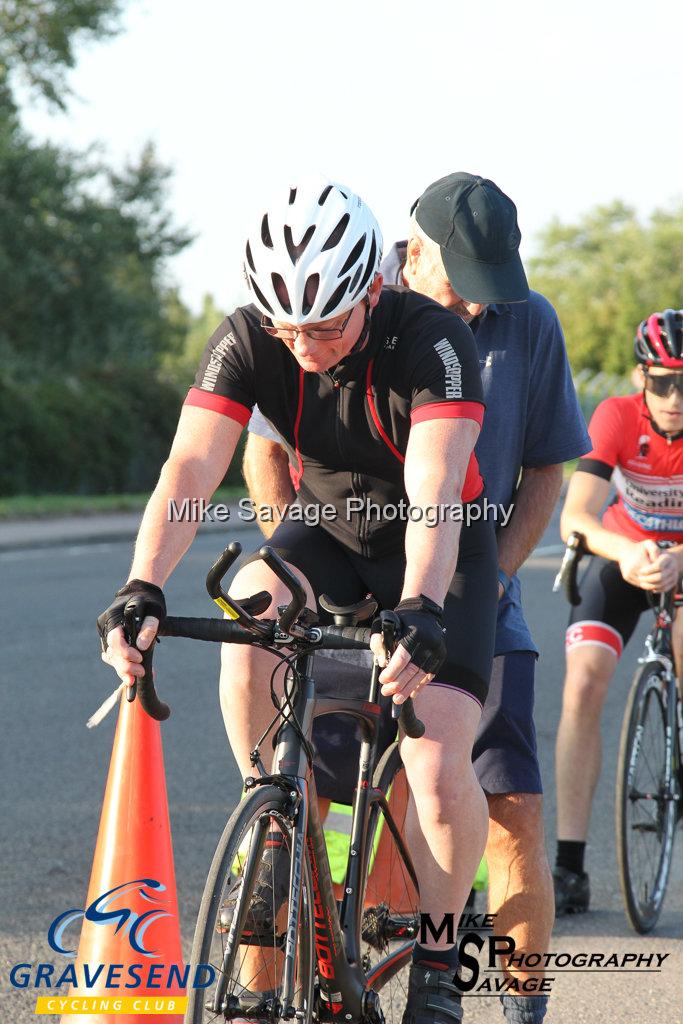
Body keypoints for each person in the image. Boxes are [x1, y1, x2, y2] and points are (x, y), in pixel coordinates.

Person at [97, 177, 499, 1024]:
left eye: (323, 325)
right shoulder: (249, 336)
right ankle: (272, 814)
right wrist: (143, 585)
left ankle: (434, 958)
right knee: (248, 603)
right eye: (287, 327)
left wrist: (421, 610)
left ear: (369, 290)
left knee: (433, 761)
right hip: (330, 533)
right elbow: (191, 471)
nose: (302, 344)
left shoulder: (428, 340)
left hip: (437, 548)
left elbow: (431, 490)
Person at [243, 172, 590, 1024]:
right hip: (344, 574)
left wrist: (498, 577)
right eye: (457, 288)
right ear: (410, 253)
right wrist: (301, 554)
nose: (473, 310)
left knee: (508, 797)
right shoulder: (342, 297)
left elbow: (549, 465)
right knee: (295, 794)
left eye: (488, 294)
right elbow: (262, 449)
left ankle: (514, 1003)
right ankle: (261, 988)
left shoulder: (528, 321)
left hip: (472, 579)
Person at [555, 309, 683, 913]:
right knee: (583, 683)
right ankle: (570, 865)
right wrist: (629, 552)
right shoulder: (616, 416)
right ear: (641, 378)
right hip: (624, 555)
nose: (675, 397)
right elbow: (575, 516)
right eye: (662, 382)